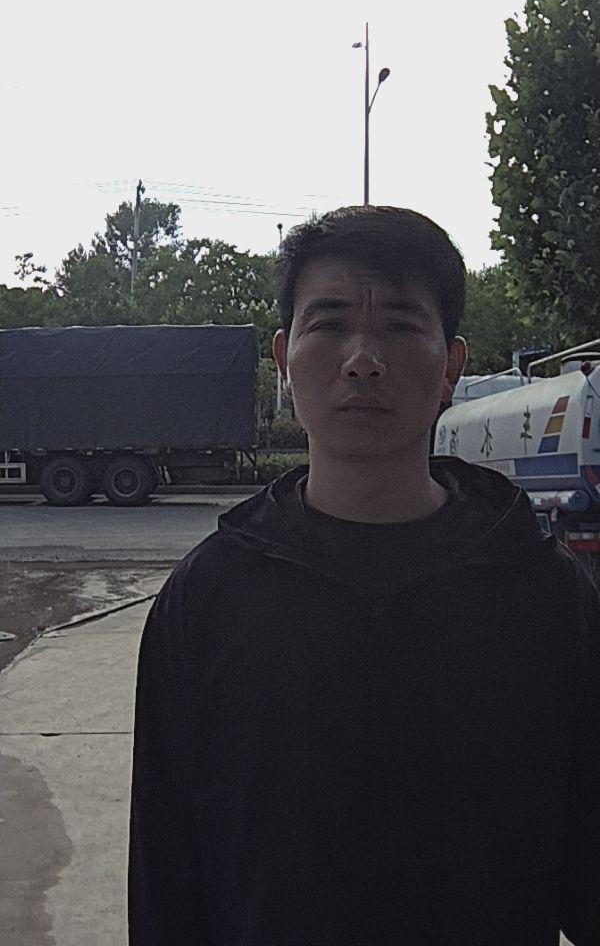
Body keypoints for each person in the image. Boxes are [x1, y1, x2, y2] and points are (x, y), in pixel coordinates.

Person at [128, 205, 600, 945]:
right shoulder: (210, 597)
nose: (363, 360)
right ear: (284, 360)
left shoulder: (543, 595)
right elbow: (167, 877)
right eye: (330, 323)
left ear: (451, 367)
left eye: (402, 325)